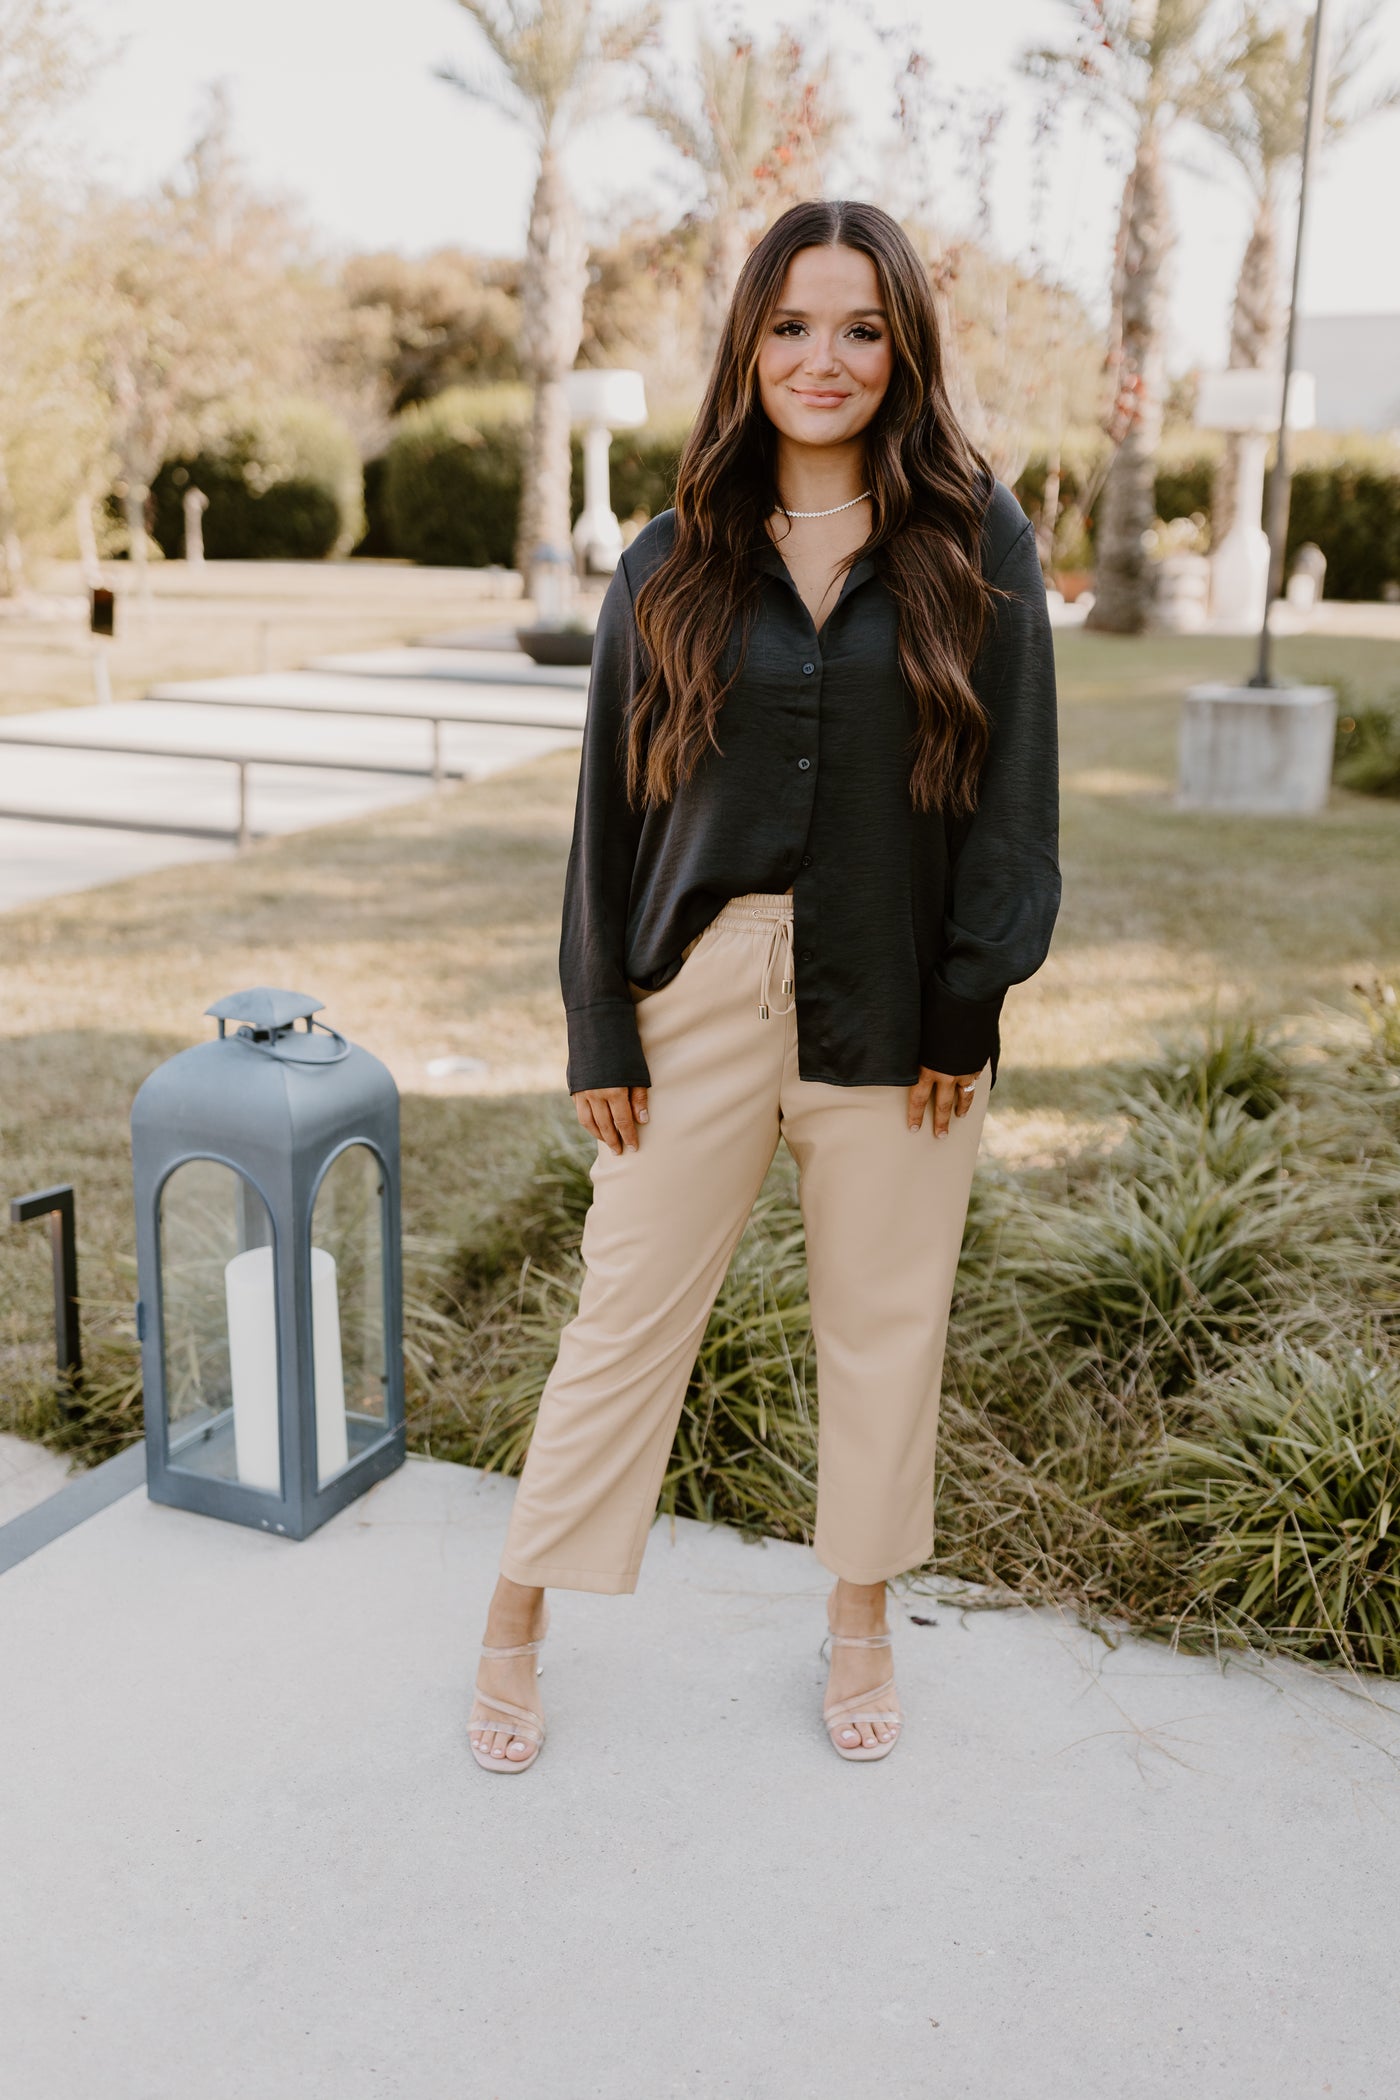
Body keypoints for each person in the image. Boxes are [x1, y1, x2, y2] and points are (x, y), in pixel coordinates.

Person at [468, 198, 1061, 1772]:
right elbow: (608, 810)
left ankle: (858, 1619)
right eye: (794, 326)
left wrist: (970, 1003)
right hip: (699, 997)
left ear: (903, 348)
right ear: (749, 342)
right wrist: (602, 1017)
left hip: (903, 1006)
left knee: (886, 1324)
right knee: (621, 1318)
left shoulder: (976, 541)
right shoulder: (668, 562)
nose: (826, 358)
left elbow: (1015, 806)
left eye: (862, 328)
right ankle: (515, 1612)